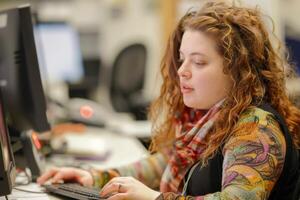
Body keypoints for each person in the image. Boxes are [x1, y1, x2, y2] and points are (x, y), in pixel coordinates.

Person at [37, 1, 300, 199]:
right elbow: (164, 162)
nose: (182, 70)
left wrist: (153, 198)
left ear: (238, 70)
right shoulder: (210, 119)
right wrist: (96, 177)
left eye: (198, 62)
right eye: (182, 58)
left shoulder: (256, 127)